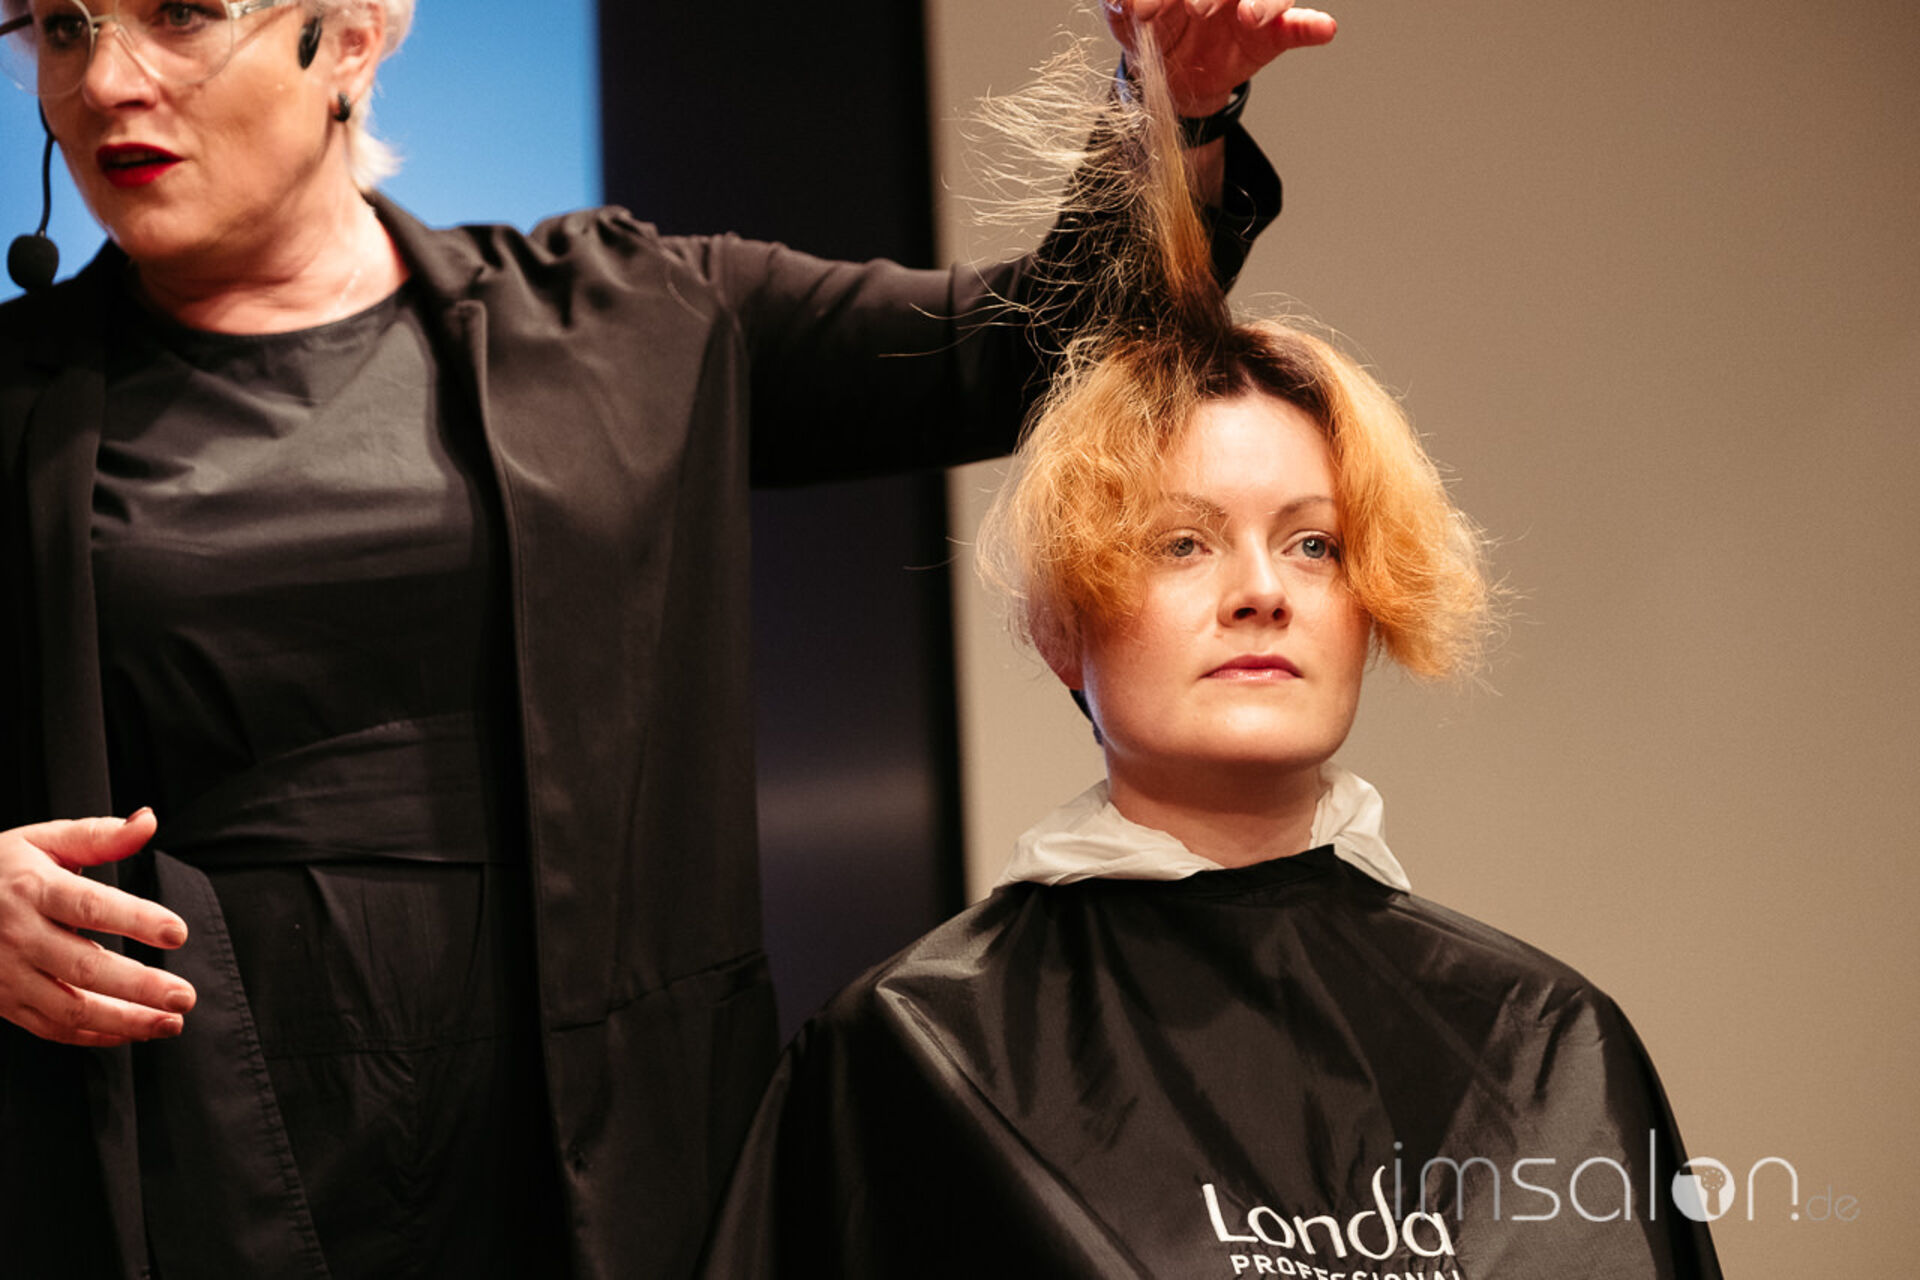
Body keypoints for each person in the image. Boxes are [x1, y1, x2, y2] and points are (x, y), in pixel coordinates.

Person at [0, 0, 1340, 1275]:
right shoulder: (16, 401)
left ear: (347, 36)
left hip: (599, 1172)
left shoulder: (630, 316)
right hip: (177, 1161)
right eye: (61, 25)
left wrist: (1173, 115)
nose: (106, 80)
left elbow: (1026, 348)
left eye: (179, 14)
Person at [695, 26, 1726, 1280]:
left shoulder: (1547, 1040)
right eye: (1182, 543)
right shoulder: (912, 1055)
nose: (1261, 592)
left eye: (1315, 545)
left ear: (1374, 601)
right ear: (1063, 624)